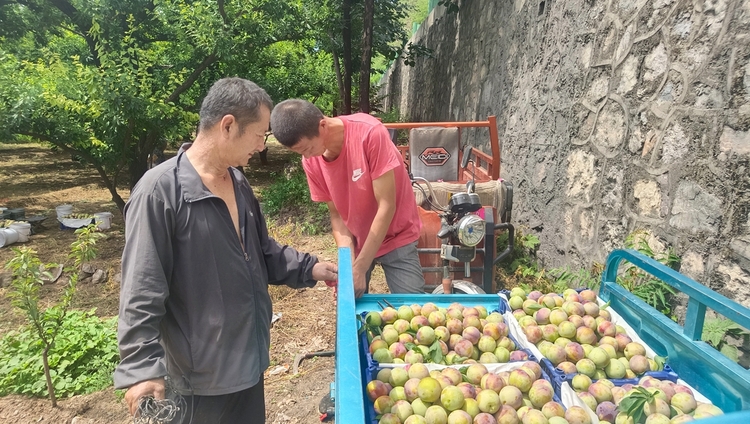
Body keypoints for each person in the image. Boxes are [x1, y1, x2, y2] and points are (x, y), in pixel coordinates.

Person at [114, 78, 338, 424]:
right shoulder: (160, 192)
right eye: (260, 135)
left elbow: (260, 251)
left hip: (247, 362)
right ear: (228, 126)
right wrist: (141, 368)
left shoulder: (237, 181)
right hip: (199, 380)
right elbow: (141, 289)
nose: (263, 146)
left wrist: (310, 268)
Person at [270, 99, 425, 297]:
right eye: (300, 153)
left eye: (307, 149)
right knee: (349, 305)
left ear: (323, 125)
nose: (307, 157)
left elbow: (386, 206)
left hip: (397, 235)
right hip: (358, 240)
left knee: (412, 307)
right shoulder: (311, 161)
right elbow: (337, 216)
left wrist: (360, 268)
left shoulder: (369, 134)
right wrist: (349, 264)